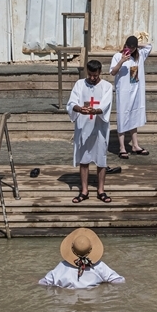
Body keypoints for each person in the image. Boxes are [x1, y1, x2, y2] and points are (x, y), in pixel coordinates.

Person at [67, 60, 114, 204]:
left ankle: (101, 190)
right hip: (84, 126)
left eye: (95, 75)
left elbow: (106, 105)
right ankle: (84, 190)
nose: (92, 78)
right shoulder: (80, 84)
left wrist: (95, 110)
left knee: (101, 158)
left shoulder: (106, 86)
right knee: (84, 159)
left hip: (99, 126)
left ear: (100, 72)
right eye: (90, 75)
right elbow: (71, 103)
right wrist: (79, 109)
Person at [110, 34, 153, 159]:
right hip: (123, 92)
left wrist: (137, 45)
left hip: (136, 91)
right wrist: (122, 60)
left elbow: (149, 46)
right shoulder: (118, 56)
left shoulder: (139, 56)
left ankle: (135, 145)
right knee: (122, 117)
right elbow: (113, 72)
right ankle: (122, 147)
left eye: (133, 47)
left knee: (134, 115)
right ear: (125, 45)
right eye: (129, 46)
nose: (130, 49)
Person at [39, 227, 125, 289]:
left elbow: (43, 282)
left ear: (71, 249)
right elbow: (119, 281)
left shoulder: (62, 267)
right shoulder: (99, 266)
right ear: (91, 249)